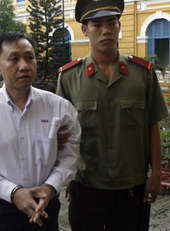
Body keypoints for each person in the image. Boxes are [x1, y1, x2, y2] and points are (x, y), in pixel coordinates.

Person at [56, 0, 170, 230]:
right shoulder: (69, 78)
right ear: (85, 30)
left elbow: (152, 127)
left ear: (119, 26)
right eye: (97, 24)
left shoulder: (142, 75)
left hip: (131, 186)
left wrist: (156, 174)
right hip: (86, 186)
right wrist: (65, 176)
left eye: (111, 22)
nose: (106, 30)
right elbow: (62, 134)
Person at [0, 31, 81, 231]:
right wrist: (13, 192)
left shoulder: (60, 108)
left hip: (44, 206)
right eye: (14, 59)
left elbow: (69, 155)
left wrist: (50, 187)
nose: (24, 66)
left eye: (29, 57)